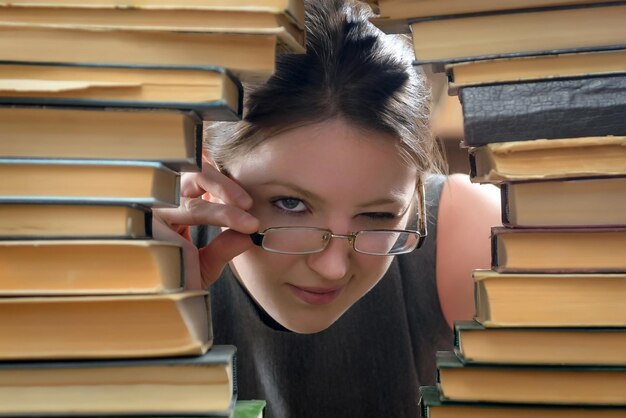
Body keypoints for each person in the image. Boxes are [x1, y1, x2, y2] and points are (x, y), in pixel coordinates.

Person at [153, 1, 500, 416]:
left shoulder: (471, 234)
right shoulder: (143, 238)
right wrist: (158, 326)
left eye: (378, 216)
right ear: (208, 166)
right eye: (290, 204)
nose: (333, 267)